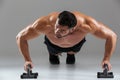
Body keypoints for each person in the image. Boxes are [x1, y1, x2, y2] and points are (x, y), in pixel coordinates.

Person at [16, 11, 117, 71]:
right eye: (56, 27)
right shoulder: (44, 24)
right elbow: (21, 37)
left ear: (73, 29)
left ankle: (71, 53)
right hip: (53, 45)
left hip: (75, 45)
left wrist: (106, 59)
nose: (57, 31)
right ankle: (53, 54)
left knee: (71, 58)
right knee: (54, 60)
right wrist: (27, 60)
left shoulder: (87, 25)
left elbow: (112, 36)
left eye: (62, 30)